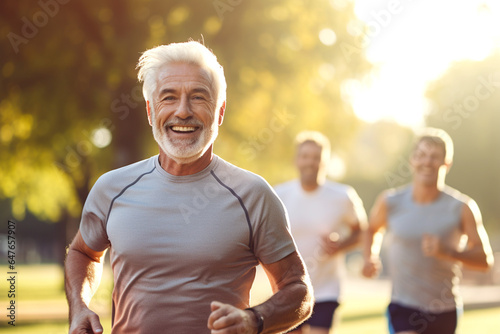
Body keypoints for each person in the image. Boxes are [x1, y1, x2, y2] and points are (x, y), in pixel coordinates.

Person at [65, 40, 313, 334]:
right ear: (150, 110)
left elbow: (298, 289)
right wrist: (79, 307)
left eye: (198, 97)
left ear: (219, 111)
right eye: (168, 97)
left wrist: (254, 319)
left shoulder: (253, 194)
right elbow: (83, 253)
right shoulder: (111, 188)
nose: (183, 112)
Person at [362, 128, 494, 334]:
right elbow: (371, 230)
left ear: (446, 164)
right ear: (411, 161)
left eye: (434, 157)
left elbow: (485, 260)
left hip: (444, 308)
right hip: (402, 306)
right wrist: (369, 257)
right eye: (421, 155)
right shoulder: (390, 201)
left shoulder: (462, 207)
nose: (427, 162)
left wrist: (449, 253)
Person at [274, 131, 367, 334]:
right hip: (288, 288)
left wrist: (341, 245)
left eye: (317, 157)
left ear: (325, 162)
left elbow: (362, 232)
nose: (311, 162)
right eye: (305, 156)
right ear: (296, 160)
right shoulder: (278, 195)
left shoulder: (342, 196)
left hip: (326, 289)